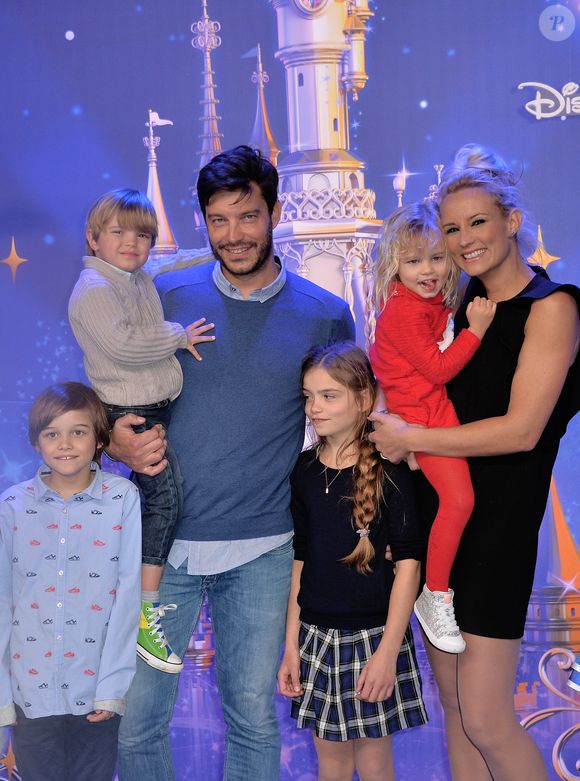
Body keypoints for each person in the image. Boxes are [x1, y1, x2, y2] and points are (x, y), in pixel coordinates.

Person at [108, 146, 355, 781]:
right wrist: (114, 440)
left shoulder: (324, 312)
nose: (233, 235)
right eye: (218, 220)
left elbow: (345, 424)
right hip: (160, 555)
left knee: (250, 715)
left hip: (265, 551)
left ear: (273, 211)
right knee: (139, 721)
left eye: (247, 217)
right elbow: (108, 394)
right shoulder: (165, 295)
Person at [369, 144, 580, 781]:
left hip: (499, 530)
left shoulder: (553, 308)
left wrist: (411, 438)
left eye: (478, 223)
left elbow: (520, 432)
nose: (464, 240)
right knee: (457, 712)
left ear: (512, 222)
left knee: (487, 718)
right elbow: (414, 386)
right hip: (440, 526)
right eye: (452, 229)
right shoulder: (456, 310)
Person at [69, 189, 215, 674]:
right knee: (165, 501)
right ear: (92, 239)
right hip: (133, 412)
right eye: (118, 233)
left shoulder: (131, 277)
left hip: (151, 406)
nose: (133, 243)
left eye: (144, 235)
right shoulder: (93, 290)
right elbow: (125, 345)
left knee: (142, 503)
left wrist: (213, 247)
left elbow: (167, 266)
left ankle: (120, 596)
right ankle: (141, 614)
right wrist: (180, 335)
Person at [278, 343, 427, 781]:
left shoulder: (390, 468)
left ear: (364, 398)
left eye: (329, 395)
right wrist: (291, 645)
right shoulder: (303, 469)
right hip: (314, 638)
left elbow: (409, 566)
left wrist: (387, 654)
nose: (314, 408)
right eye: (308, 396)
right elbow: (300, 560)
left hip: (375, 637)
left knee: (376, 764)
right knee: (332, 765)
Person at [369, 201, 496, 654]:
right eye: (413, 260)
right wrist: (476, 330)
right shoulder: (403, 312)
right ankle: (435, 594)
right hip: (423, 419)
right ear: (393, 265)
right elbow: (439, 369)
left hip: (427, 413)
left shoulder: (425, 303)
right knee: (460, 500)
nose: (428, 270)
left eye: (437, 258)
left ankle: (434, 590)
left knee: (453, 504)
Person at [0, 382, 141, 781]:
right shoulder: (12, 506)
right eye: (52, 433)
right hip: (31, 694)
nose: (65, 443)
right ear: (36, 442)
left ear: (99, 438)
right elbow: (2, 601)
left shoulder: (122, 498)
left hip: (95, 692)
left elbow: (128, 595)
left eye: (78, 432)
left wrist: (111, 688)